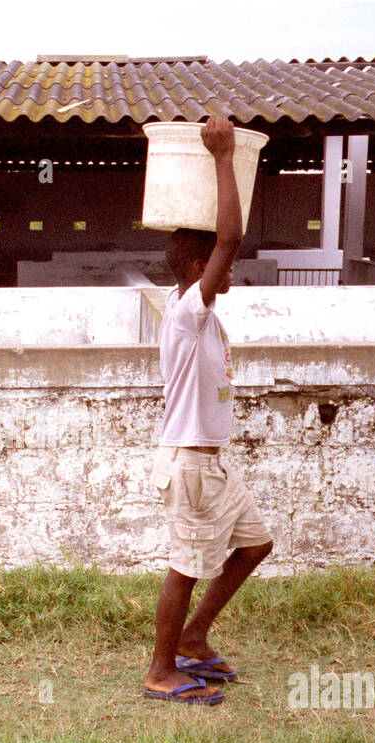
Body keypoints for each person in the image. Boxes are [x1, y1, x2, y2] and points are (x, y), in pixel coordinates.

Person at [143, 116, 274, 705]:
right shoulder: (188, 311)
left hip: (212, 462)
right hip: (191, 464)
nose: (229, 270)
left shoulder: (194, 308)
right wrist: (223, 157)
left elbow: (222, 247)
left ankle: (195, 636)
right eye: (217, 265)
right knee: (186, 565)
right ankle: (160, 671)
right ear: (199, 271)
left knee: (254, 546)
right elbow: (230, 239)